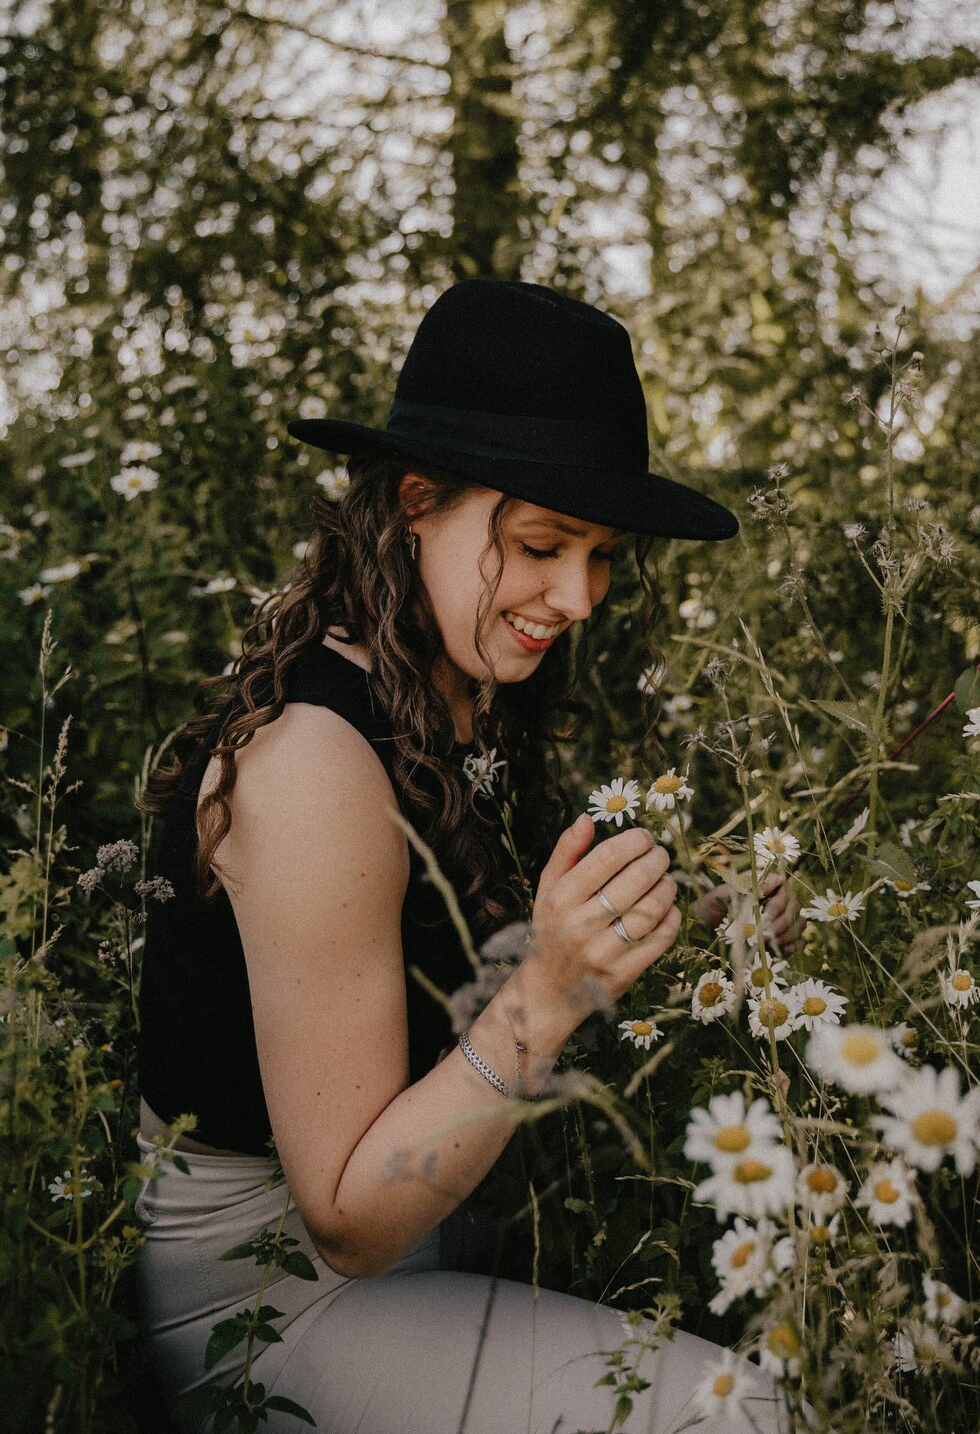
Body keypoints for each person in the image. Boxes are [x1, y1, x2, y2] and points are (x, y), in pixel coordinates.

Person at [134, 280, 795, 1433]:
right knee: (735, 1413)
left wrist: (674, 918)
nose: (578, 597)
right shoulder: (311, 767)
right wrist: (552, 988)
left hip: (439, 1243)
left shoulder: (466, 694)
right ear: (414, 504)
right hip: (277, 1308)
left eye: (599, 556)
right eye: (542, 545)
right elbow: (344, 1217)